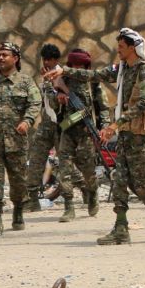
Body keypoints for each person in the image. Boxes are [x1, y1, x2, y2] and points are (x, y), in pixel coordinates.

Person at [44, 28, 145, 245]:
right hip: (126, 137)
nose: (117, 50)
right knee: (119, 182)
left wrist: (114, 125)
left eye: (121, 47)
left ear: (132, 47)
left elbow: (144, 102)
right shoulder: (123, 69)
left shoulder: (143, 70)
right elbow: (95, 75)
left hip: (137, 136)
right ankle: (120, 229)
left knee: (144, 187)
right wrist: (64, 72)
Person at [0, 41, 42, 236]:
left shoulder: (26, 82)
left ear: (16, 58)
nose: (1, 58)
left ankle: (18, 209)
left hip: (17, 142)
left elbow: (35, 103)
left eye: (5, 54)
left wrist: (27, 121)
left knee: (18, 181)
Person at [54, 48, 107, 220]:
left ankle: (92, 193)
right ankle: (69, 206)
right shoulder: (63, 80)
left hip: (86, 132)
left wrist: (104, 127)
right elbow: (50, 101)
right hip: (68, 129)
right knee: (65, 169)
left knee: (88, 169)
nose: (77, 67)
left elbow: (103, 107)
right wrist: (58, 96)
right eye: (74, 64)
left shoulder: (93, 82)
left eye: (81, 64)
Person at [25, 44, 67, 213]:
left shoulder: (61, 76)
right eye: (44, 59)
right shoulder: (45, 76)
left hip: (61, 126)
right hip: (46, 124)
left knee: (66, 164)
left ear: (56, 60)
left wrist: (50, 83)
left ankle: (85, 193)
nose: (46, 62)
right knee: (35, 159)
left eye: (49, 59)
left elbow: (57, 101)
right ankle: (33, 199)